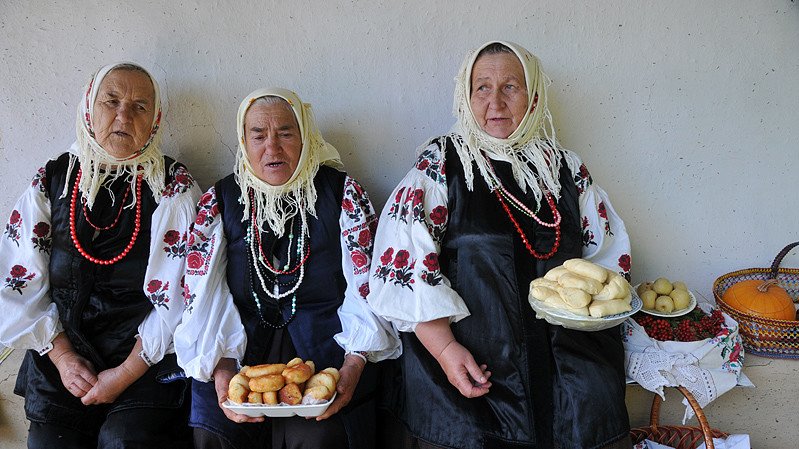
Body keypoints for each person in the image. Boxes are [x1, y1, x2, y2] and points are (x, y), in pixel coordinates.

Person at [368, 41, 633, 449]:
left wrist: (595, 312)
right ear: (465, 96)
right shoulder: (442, 165)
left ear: (534, 97)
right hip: (471, 356)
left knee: (589, 412)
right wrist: (444, 350)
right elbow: (405, 267)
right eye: (482, 88)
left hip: (567, 357)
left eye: (511, 87)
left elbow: (605, 262)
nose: (495, 101)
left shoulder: (565, 168)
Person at [174, 87, 400, 449]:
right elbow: (204, 297)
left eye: (286, 133)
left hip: (329, 351)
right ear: (243, 142)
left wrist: (354, 364)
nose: (272, 148)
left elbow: (367, 288)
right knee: (216, 431)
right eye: (258, 135)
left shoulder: (342, 195)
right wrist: (222, 372)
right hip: (238, 351)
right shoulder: (220, 202)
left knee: (318, 436)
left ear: (305, 136)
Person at [0, 62, 201, 447]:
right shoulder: (53, 180)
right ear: (90, 106)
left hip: (146, 361)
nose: (123, 115)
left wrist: (125, 373)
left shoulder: (173, 187)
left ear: (155, 119)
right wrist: (62, 357)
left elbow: (179, 299)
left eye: (140, 106)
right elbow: (17, 279)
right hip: (62, 355)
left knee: (126, 440)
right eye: (112, 100)